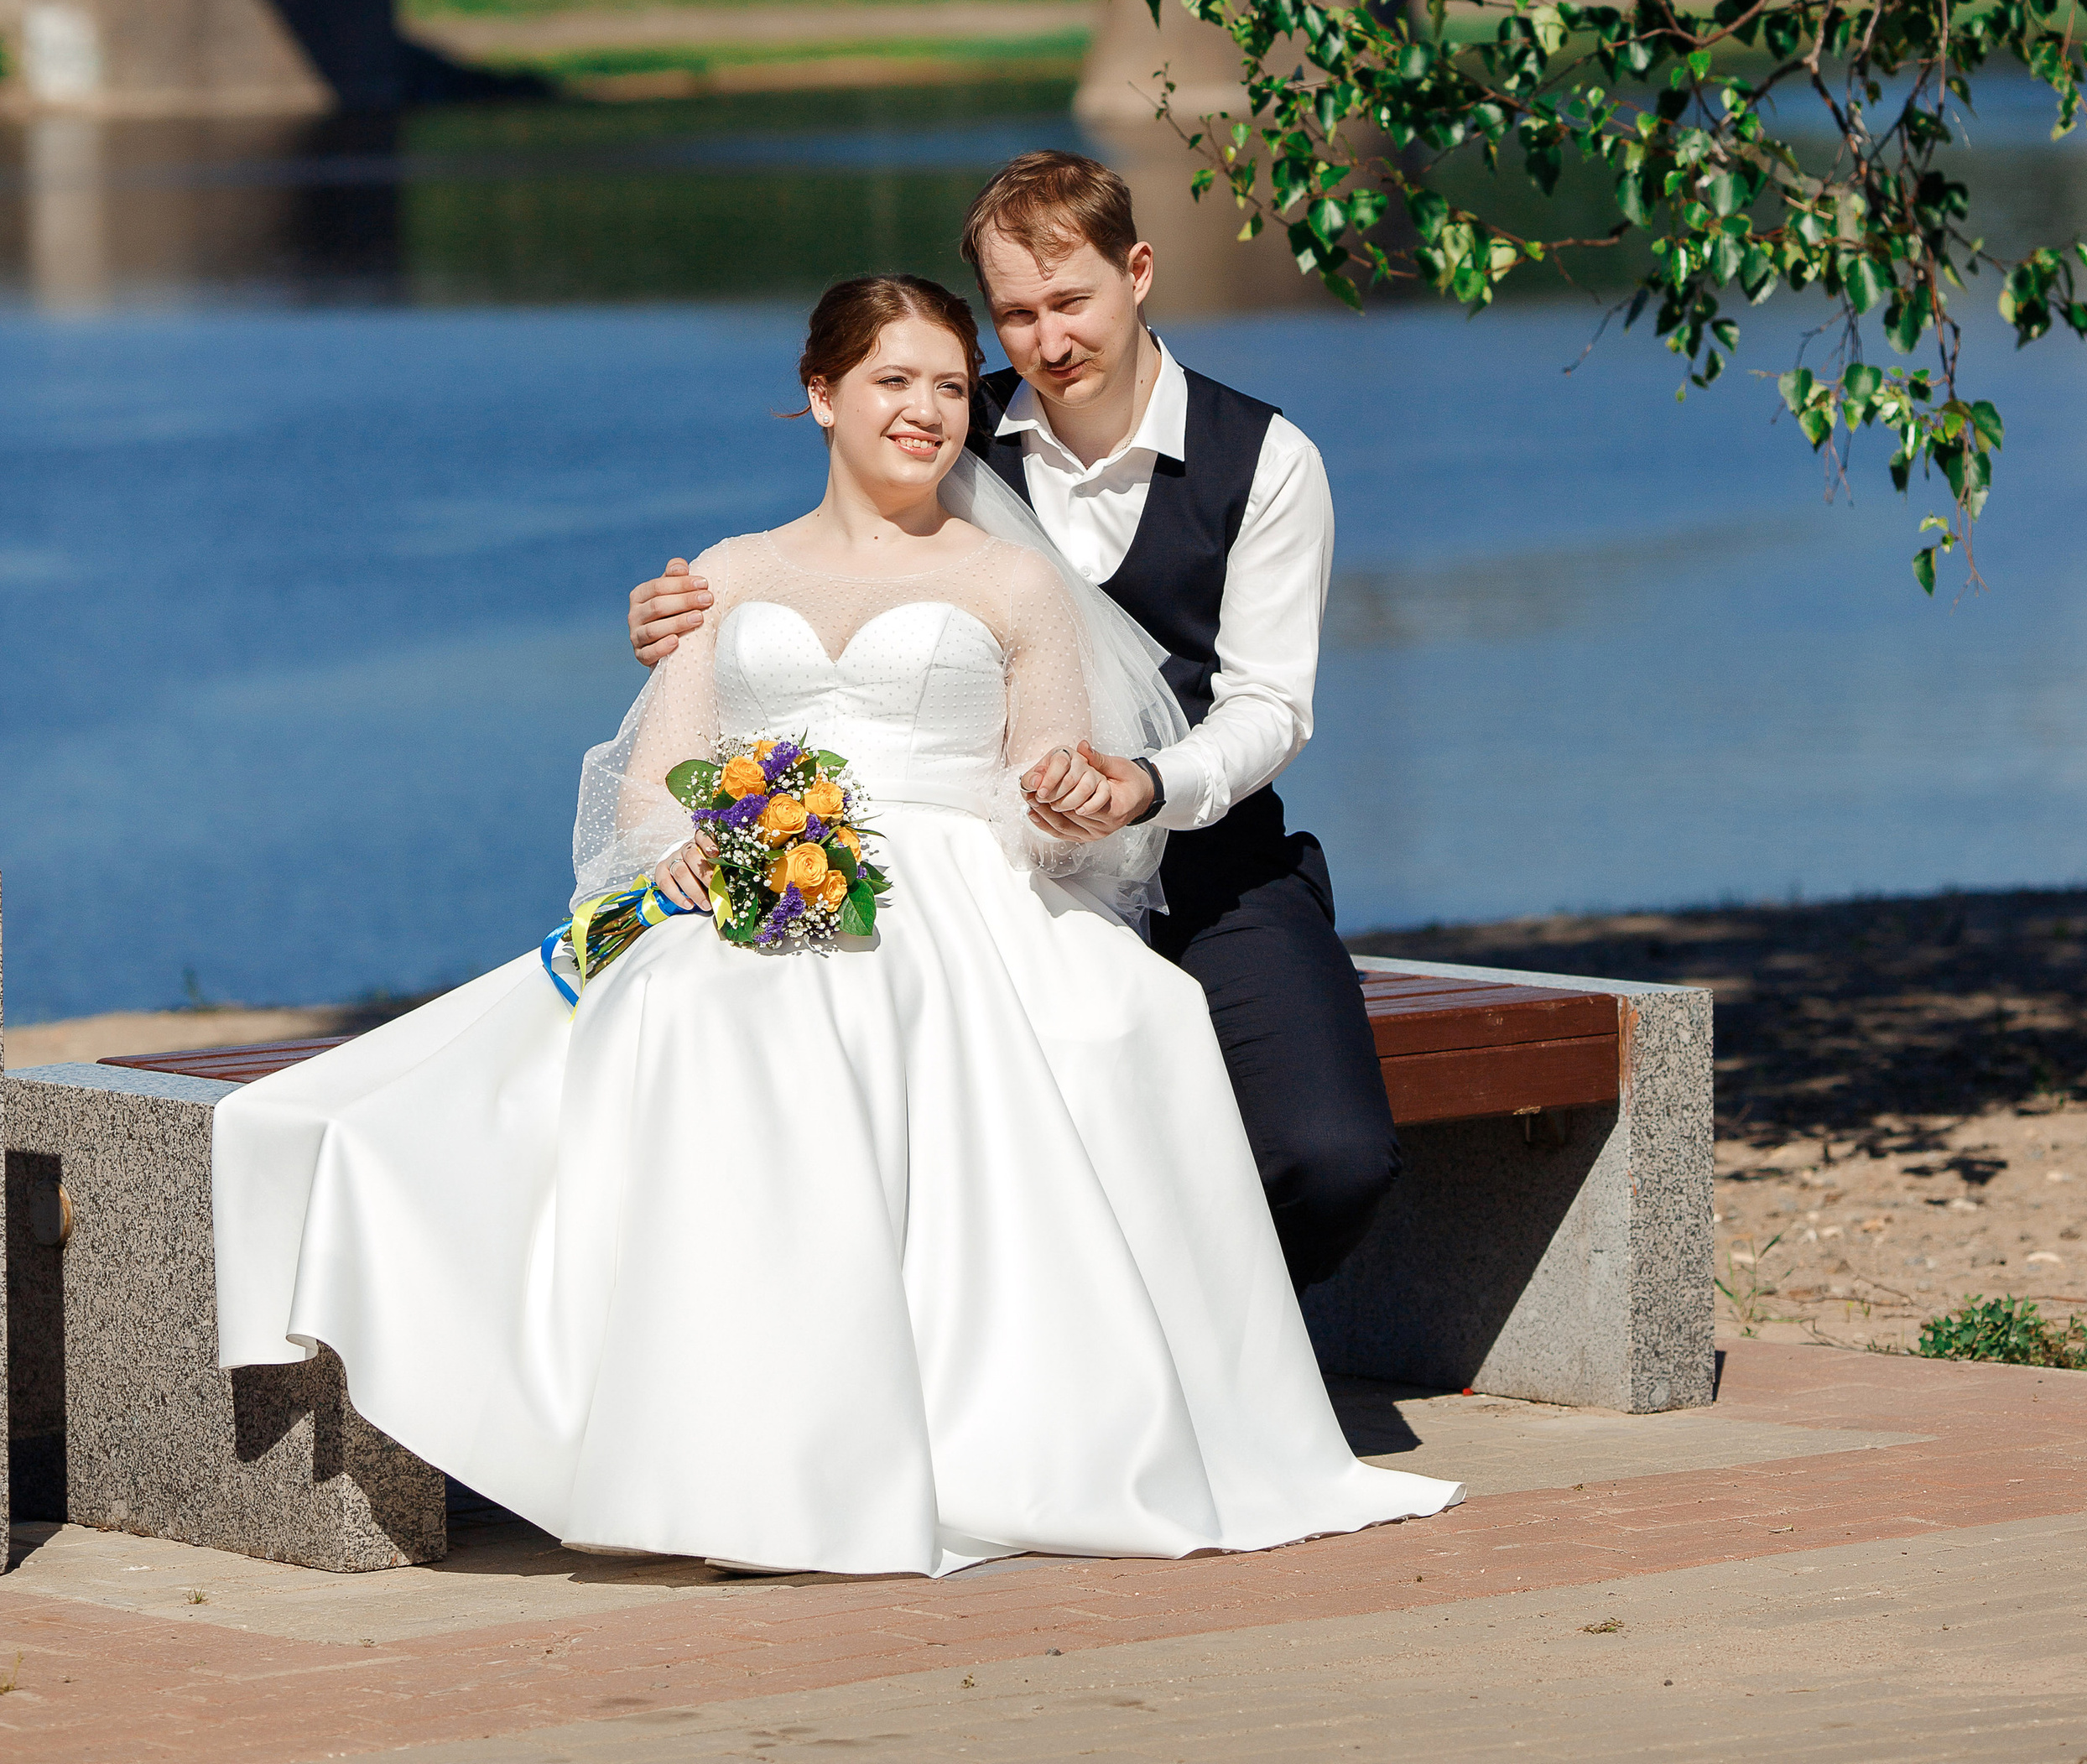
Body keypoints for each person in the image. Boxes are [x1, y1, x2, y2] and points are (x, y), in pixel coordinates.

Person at [213, 272, 1459, 1575]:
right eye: (890, 382)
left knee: (996, 1014)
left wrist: (1063, 797)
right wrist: (689, 851)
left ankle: (920, 1439)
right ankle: (734, 1442)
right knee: (704, 1015)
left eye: (942, 384)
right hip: (759, 876)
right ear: (821, 395)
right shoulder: (726, 575)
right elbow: (658, 779)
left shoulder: (1011, 584)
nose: (924, 411)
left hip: (959, 881)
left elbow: (1048, 792)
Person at [629, 152, 1398, 1293]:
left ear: (1137, 273)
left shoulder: (1267, 460)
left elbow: (1271, 705)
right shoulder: (944, 421)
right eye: (1016, 316)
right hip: (999, 875)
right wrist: (679, 619)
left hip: (1211, 858)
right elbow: (818, 574)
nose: (1046, 341)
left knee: (1329, 1157)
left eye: (1071, 302)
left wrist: (1144, 783)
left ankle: (1206, 1346)